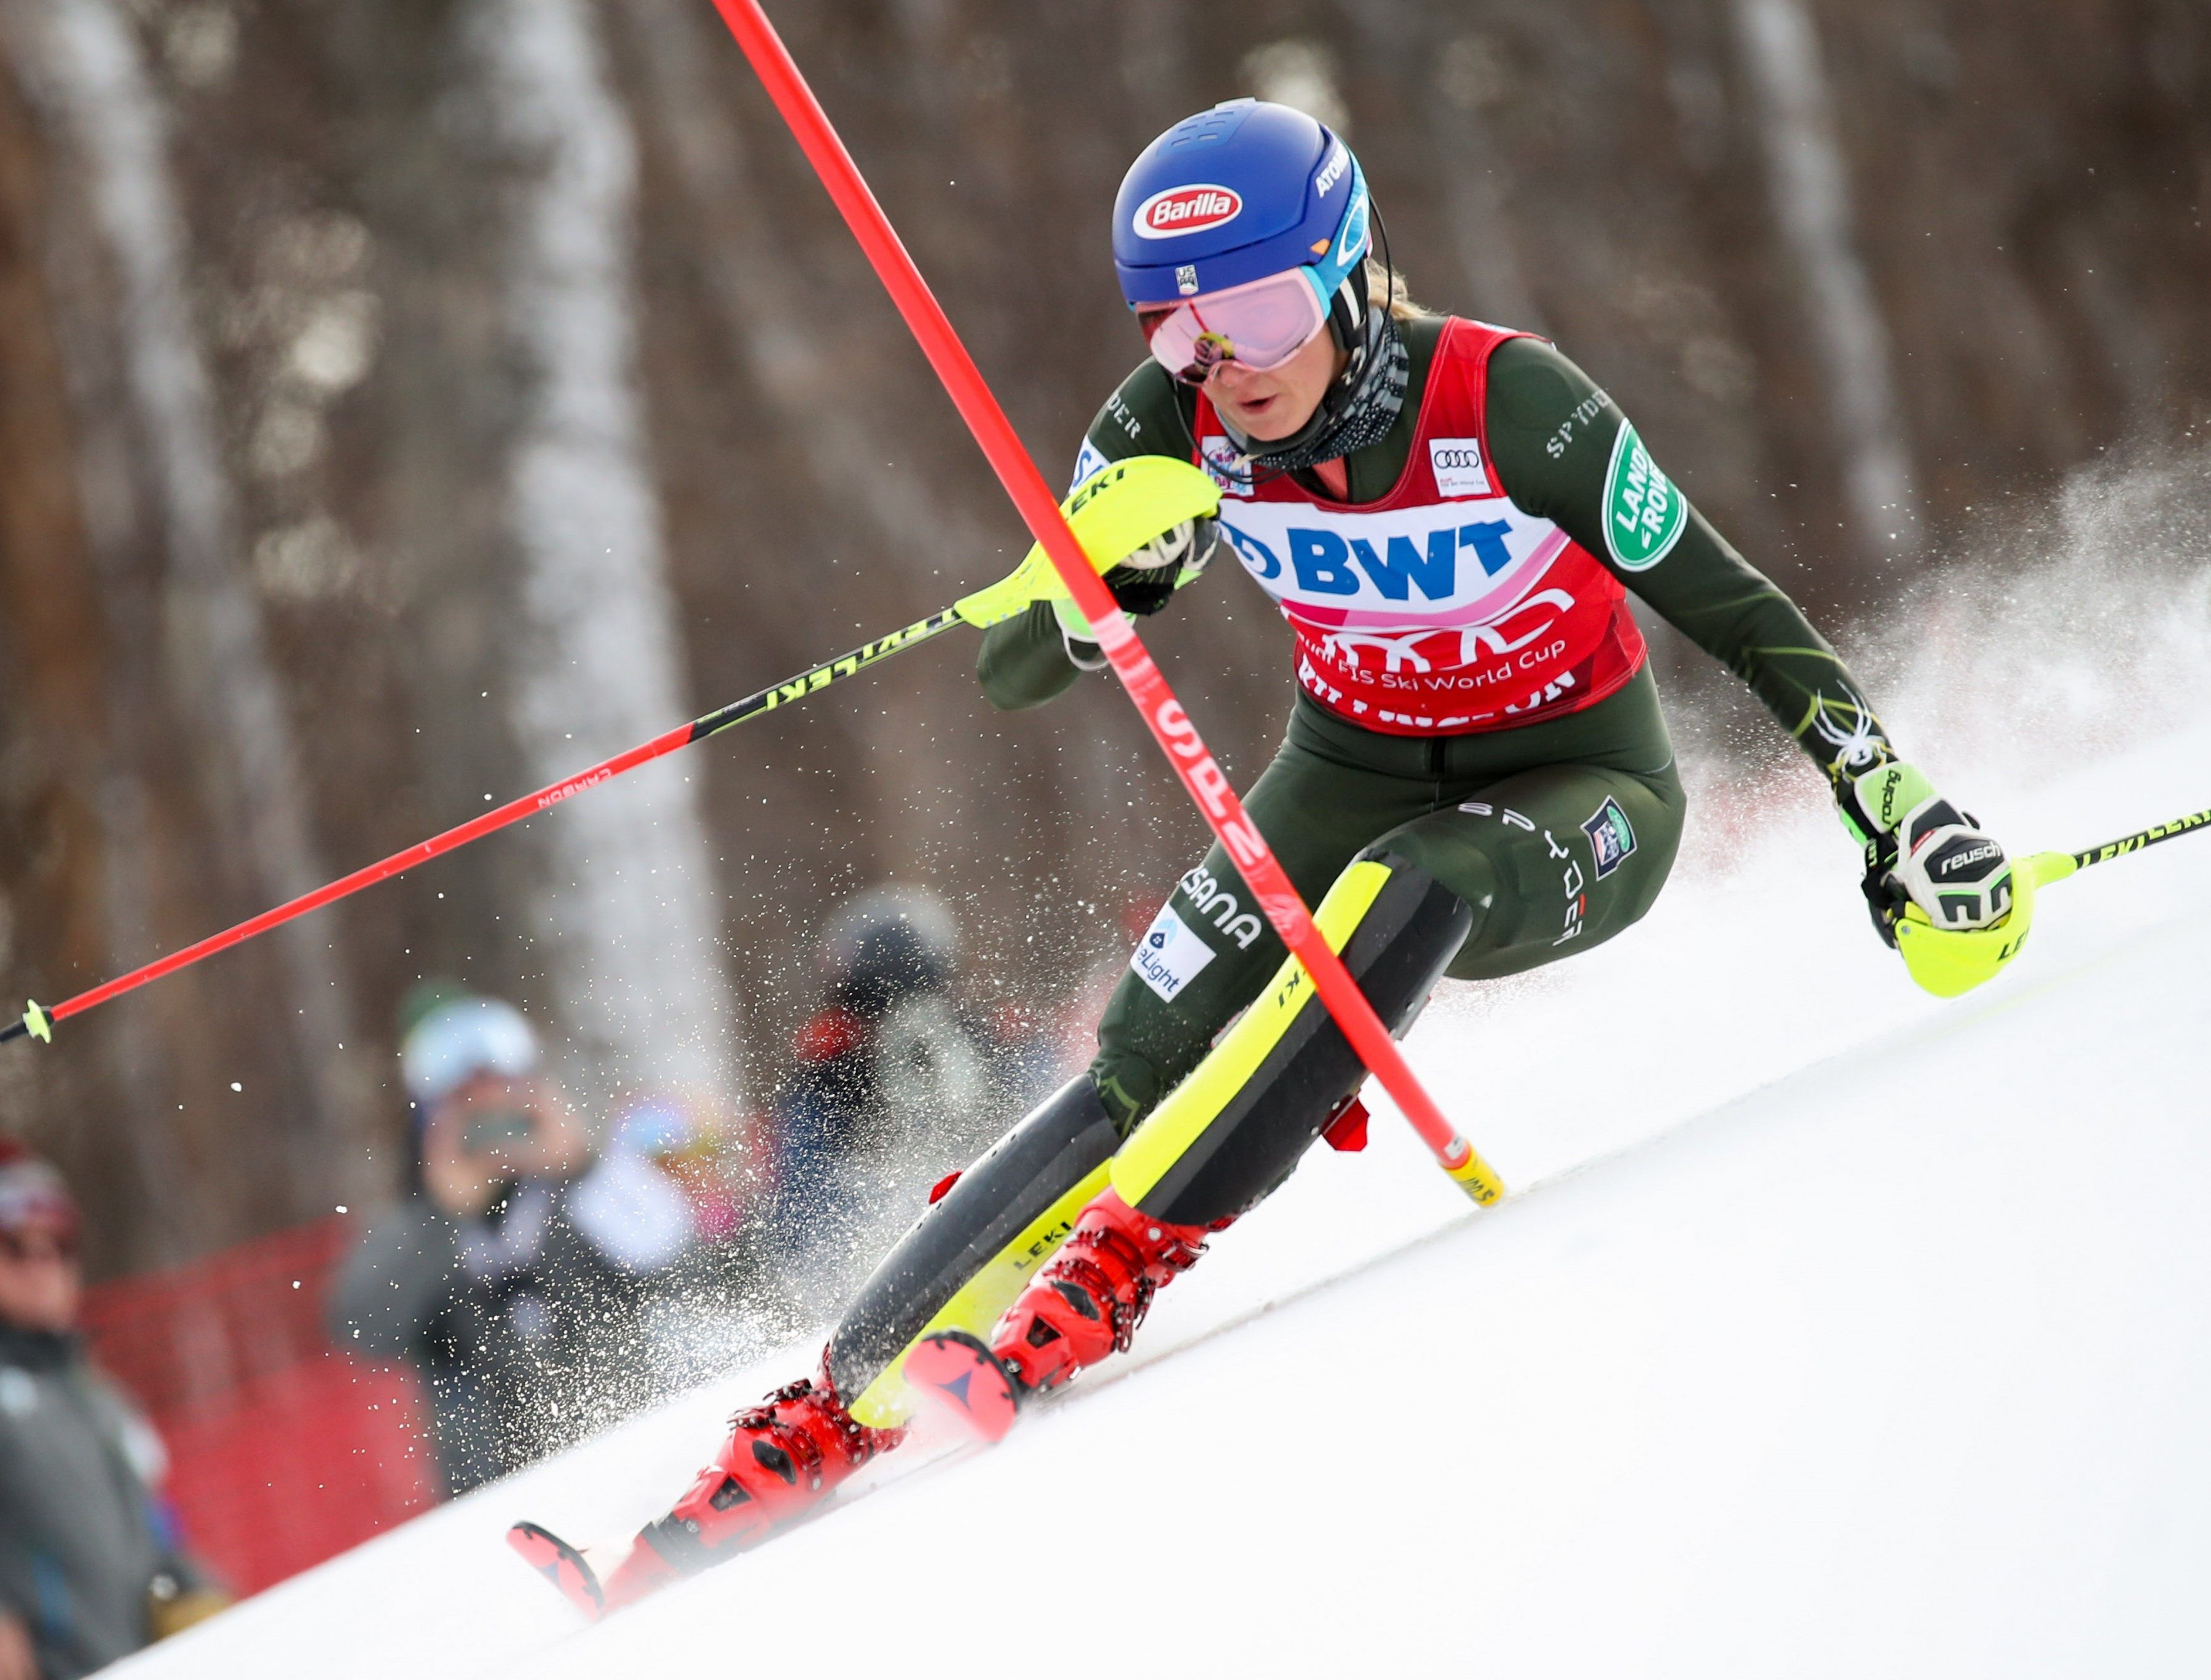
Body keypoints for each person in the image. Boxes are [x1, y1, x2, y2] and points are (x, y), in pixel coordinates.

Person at [532, 98, 2014, 1610]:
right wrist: (1112, 576)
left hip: (1573, 784)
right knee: (1139, 1048)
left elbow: (1729, 602)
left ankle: (1120, 1262)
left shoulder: (1507, 400)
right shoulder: (1162, 420)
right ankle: (829, 1399)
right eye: (1175, 325)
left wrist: (1889, 801)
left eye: (1253, 307)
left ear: (1350, 279)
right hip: (1338, 772)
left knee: (1411, 879)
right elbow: (1017, 673)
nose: (1219, 360)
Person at [329, 991, 693, 1495]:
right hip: (493, 1497)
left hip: (637, 1456)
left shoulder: (586, 1187)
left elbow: (679, 1259)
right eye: (464, 1107)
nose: (488, 1119)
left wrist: (580, 1166)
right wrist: (444, 1212)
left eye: (503, 1094)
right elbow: (363, 1327)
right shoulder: (418, 1223)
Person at [0, 1138, 225, 1680]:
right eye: (14, 1247)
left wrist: (201, 1597)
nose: (41, 1265)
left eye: (58, 1246)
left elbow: (154, 1535)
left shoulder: (101, 1397)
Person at [766, 887, 1018, 1309]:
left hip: (891, 1266)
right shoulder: (830, 1067)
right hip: (963, 1231)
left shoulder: (826, 1069)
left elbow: (800, 1205)